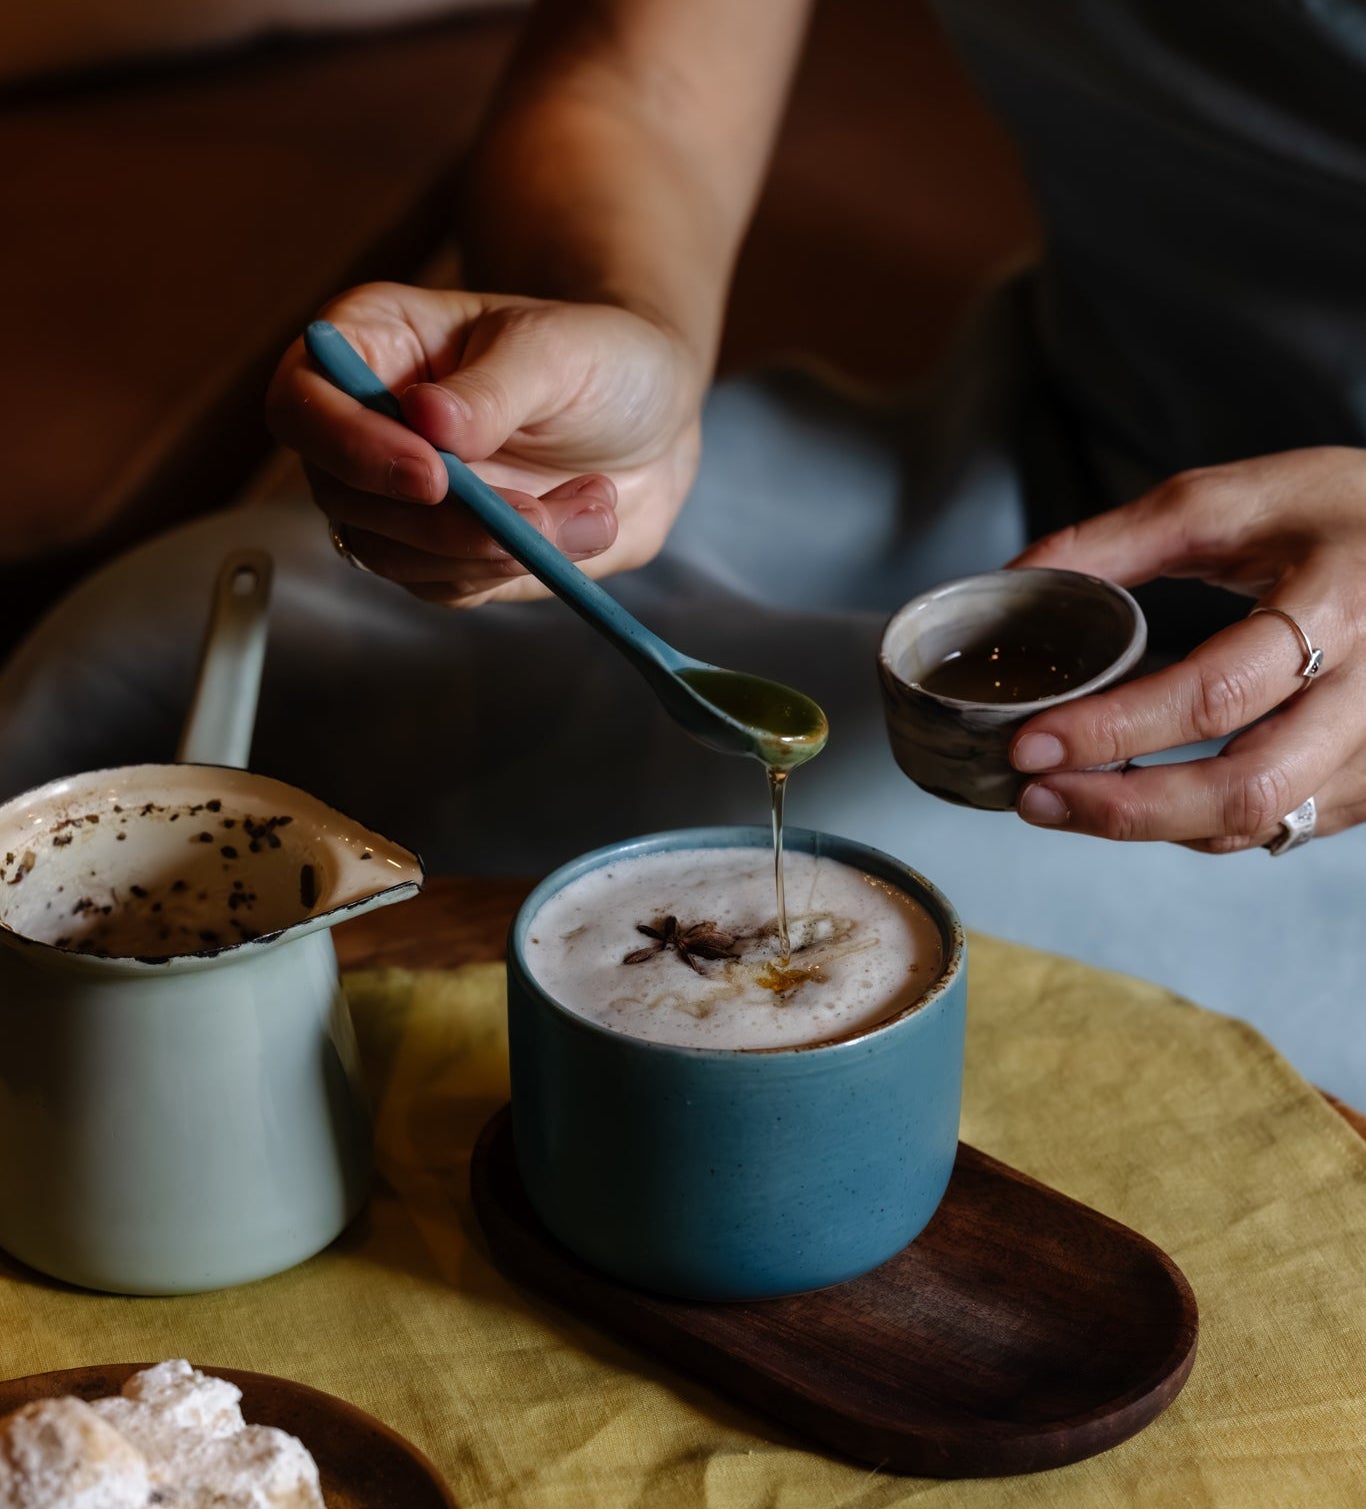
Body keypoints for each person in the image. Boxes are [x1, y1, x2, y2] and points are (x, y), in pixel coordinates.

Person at [1, 0, 1363, 1091]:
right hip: (1032, 473)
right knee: (171, 646)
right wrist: (622, 344)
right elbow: (639, 81)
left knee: (885, 934)